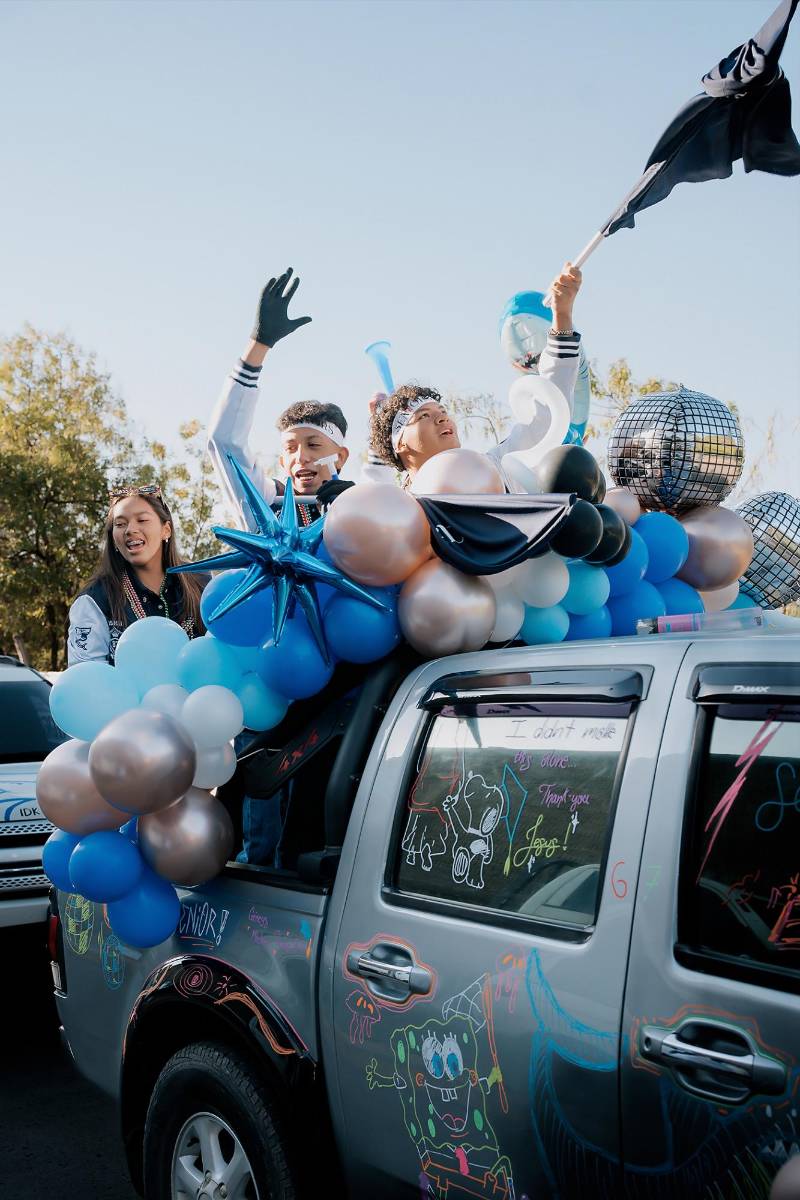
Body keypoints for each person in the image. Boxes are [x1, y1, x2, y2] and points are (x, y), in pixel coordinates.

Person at [367, 263, 583, 488]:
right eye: (423, 416)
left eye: (442, 412)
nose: (442, 418)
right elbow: (370, 491)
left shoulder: (497, 468)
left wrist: (562, 315)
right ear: (400, 443)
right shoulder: (397, 509)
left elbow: (548, 414)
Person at [207, 268, 358, 530]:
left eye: (313, 445)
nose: (301, 457)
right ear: (282, 463)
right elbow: (224, 442)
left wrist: (360, 511)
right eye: (290, 448)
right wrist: (259, 343)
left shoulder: (366, 508)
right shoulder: (266, 507)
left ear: (341, 457)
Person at [67, 484, 207, 666]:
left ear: (166, 530)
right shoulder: (95, 600)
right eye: (120, 524)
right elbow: (86, 679)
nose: (130, 529)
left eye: (142, 520)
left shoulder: (201, 582)